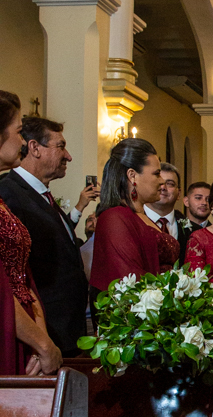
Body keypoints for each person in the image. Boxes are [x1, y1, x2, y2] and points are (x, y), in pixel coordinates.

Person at [0, 115, 98, 355]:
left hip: (66, 330)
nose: (68, 156)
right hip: (43, 331)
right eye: (61, 146)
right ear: (35, 148)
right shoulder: (9, 192)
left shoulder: (43, 195)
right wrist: (38, 340)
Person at [0, 91, 62, 374]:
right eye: (18, 132)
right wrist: (43, 344)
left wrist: (41, 339)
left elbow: (22, 275)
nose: (23, 142)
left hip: (23, 331)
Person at [90, 138, 179, 295]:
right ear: (132, 176)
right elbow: (127, 280)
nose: (162, 182)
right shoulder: (114, 218)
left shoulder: (141, 216)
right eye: (156, 174)